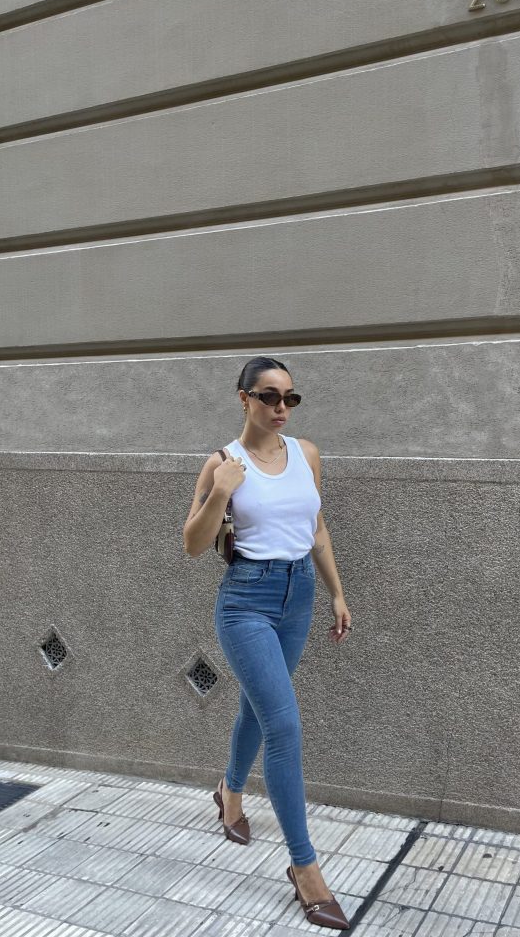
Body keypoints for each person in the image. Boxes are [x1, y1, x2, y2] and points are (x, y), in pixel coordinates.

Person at [183, 355, 353, 931]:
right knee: (283, 725)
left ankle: (229, 791)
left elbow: (316, 527)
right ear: (244, 399)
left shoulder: (306, 454)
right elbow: (193, 544)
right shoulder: (223, 463)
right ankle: (305, 869)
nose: (282, 408)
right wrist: (219, 494)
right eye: (270, 396)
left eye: (290, 398)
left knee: (258, 709)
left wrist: (336, 593)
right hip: (245, 603)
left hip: (298, 595)